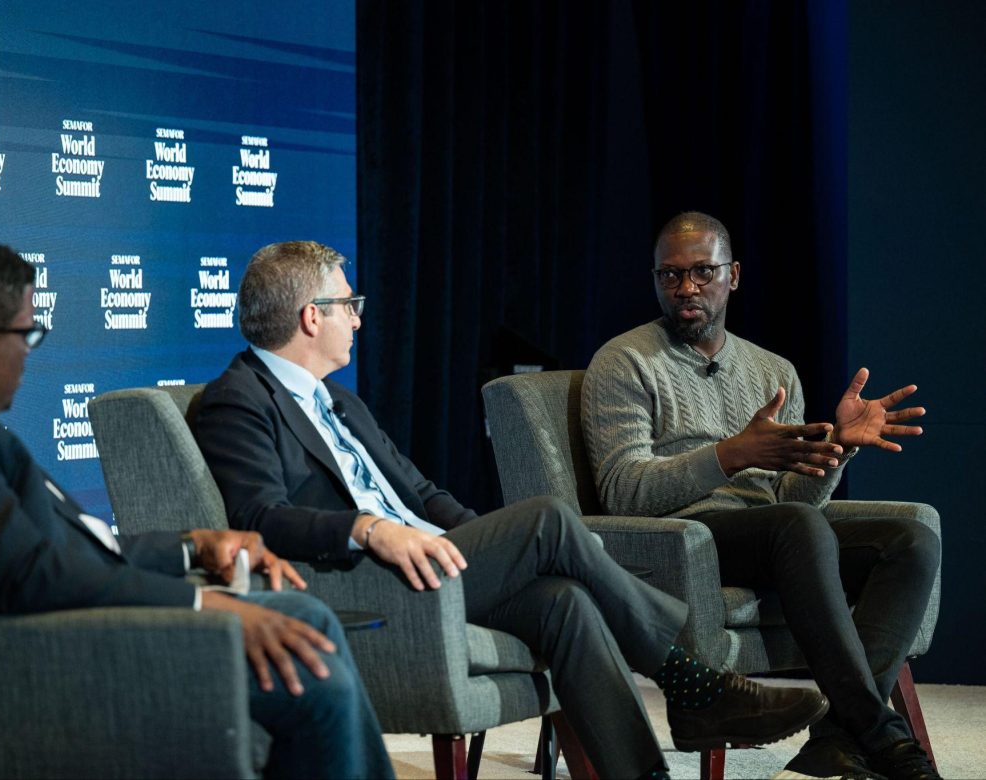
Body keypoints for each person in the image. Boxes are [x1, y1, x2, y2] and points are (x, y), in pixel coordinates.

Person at [194, 240, 831, 780]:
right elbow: (258, 517)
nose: (357, 320)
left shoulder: (341, 401)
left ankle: (643, 773)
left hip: (435, 562)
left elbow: (421, 496)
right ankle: (690, 677)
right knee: (550, 518)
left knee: (565, 601)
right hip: (368, 582)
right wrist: (367, 529)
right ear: (312, 316)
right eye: (349, 306)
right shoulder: (238, 401)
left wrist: (493, 545)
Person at [0, 237, 393, 780]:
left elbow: (60, 547)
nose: (28, 358)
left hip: (65, 626)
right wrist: (204, 605)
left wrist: (192, 547)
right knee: (308, 663)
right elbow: (31, 574)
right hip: (44, 655)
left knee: (306, 620)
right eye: (28, 335)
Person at [582, 211, 941, 780]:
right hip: (685, 537)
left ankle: (834, 740)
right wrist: (732, 454)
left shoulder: (773, 370)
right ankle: (881, 733)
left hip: (776, 533)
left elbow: (794, 499)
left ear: (734, 275)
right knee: (793, 526)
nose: (686, 288)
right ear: (655, 280)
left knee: (910, 540)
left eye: (703, 271)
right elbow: (625, 493)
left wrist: (835, 450)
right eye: (670, 275)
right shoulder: (623, 362)